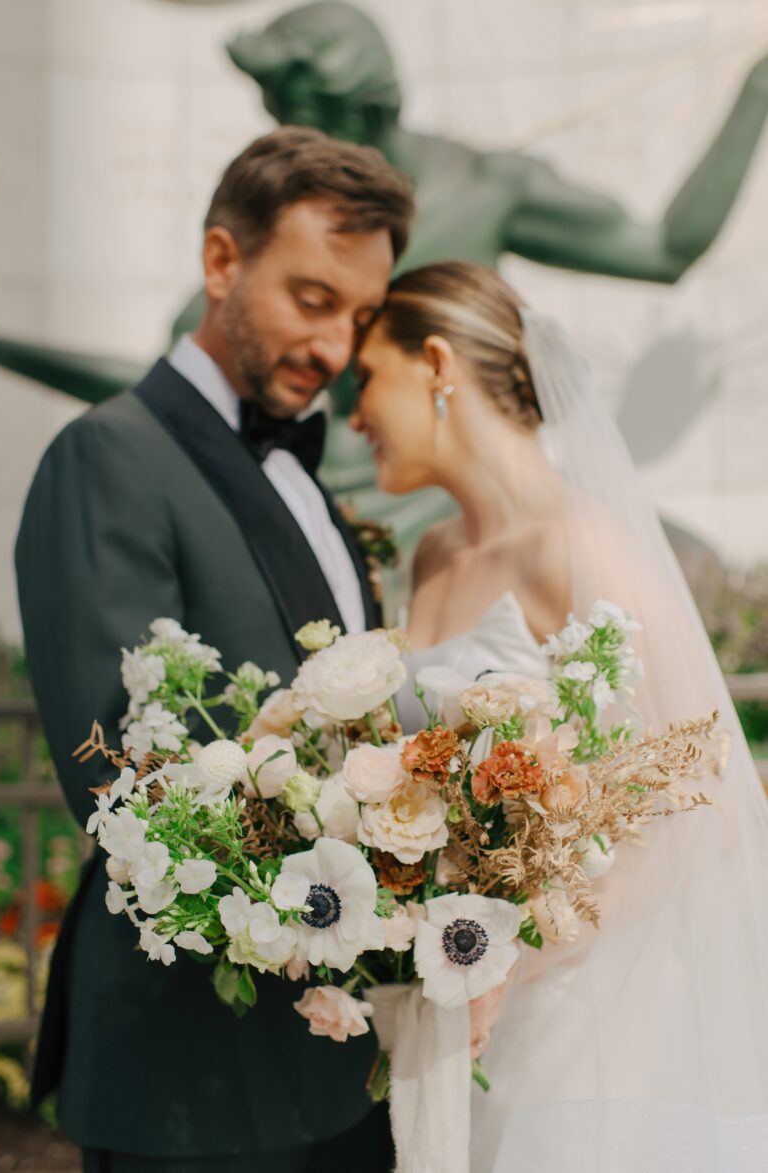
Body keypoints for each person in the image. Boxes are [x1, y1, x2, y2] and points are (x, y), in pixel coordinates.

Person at [15, 126, 413, 1173]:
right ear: (221, 261)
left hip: (340, 1057)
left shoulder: (309, 483)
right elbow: (119, 771)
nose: (335, 348)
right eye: (313, 299)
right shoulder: (105, 456)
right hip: (190, 1072)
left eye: (360, 319)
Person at [351, 260, 768, 1171]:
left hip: (571, 1011)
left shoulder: (578, 545)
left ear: (433, 363)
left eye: (366, 379)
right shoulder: (430, 554)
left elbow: (713, 792)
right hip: (445, 1001)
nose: (354, 415)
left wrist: (525, 949)